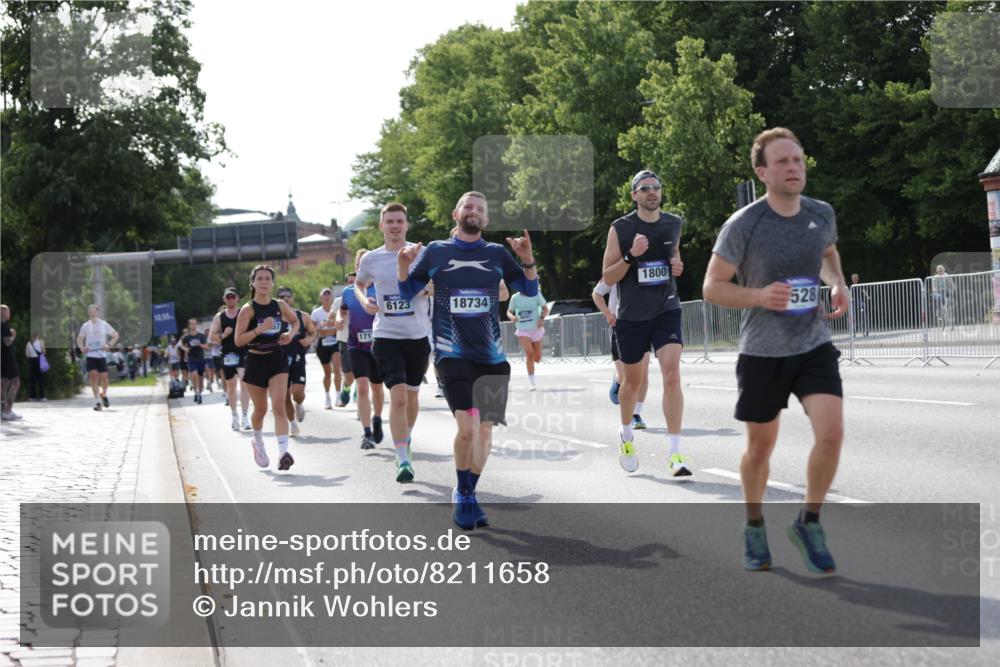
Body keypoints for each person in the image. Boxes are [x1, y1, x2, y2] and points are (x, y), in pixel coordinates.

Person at [703, 127, 849, 574]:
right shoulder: (744, 224)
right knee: (761, 448)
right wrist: (760, 296)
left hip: (811, 342)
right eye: (783, 162)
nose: (793, 168)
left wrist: (838, 283)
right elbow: (712, 288)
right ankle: (753, 523)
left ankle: (809, 521)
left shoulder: (820, 213)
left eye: (799, 160)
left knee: (831, 432)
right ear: (762, 172)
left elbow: (826, 253)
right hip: (762, 351)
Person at [397, 191, 538, 530]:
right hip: (451, 354)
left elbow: (530, 291)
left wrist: (528, 258)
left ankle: (467, 494)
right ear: (455, 213)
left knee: (486, 433)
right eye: (468, 206)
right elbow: (405, 292)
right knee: (468, 428)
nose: (473, 211)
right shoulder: (436, 251)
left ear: (485, 220)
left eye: (480, 209)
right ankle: (463, 493)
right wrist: (403, 266)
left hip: (492, 358)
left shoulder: (496, 254)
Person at [600, 170, 688, 476]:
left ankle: (675, 455)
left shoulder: (674, 223)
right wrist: (630, 256)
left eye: (656, 187)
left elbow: (674, 258)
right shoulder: (620, 228)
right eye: (645, 188)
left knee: (672, 375)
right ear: (634, 195)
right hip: (632, 316)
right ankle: (626, 436)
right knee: (632, 383)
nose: (652, 192)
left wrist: (677, 265)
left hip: (666, 307)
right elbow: (608, 277)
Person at [356, 202, 433, 483]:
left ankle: (405, 438)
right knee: (397, 396)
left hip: (417, 336)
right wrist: (365, 300)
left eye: (399, 221)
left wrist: (423, 287)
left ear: (407, 225)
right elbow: (359, 283)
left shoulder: (422, 253)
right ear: (381, 226)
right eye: (389, 221)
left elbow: (438, 284)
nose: (395, 226)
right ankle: (402, 458)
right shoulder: (371, 260)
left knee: (412, 397)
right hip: (386, 335)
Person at [235, 265, 300, 470]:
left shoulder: (280, 305)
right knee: (261, 410)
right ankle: (258, 442)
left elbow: (295, 322)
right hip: (255, 361)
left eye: (267, 279)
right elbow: (238, 341)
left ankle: (283, 453)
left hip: (277, 358)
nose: (264, 282)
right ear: (253, 283)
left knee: (279, 405)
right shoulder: (248, 310)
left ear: (272, 283)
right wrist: (259, 329)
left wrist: (290, 334)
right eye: (260, 279)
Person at [339, 250, 385, 450]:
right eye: (360, 265)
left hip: (379, 345)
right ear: (358, 268)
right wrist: (340, 319)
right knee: (363, 387)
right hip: (356, 345)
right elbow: (342, 310)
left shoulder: (382, 289)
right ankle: (366, 433)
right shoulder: (349, 292)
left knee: (377, 388)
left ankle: (377, 418)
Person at [592, 279, 649, 429]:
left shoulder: (645, 268)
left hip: (642, 326)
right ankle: (618, 381)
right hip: (619, 326)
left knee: (643, 374)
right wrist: (608, 314)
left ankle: (635, 414)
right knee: (626, 377)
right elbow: (597, 293)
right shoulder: (615, 271)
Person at [277, 286, 317, 437]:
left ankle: (299, 404)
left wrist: (309, 339)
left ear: (292, 298)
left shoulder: (303, 316)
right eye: (282, 296)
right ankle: (293, 424)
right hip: (280, 359)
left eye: (288, 296)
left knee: (297, 393)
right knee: (284, 395)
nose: (286, 298)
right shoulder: (274, 317)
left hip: (298, 358)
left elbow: (313, 332)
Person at [210, 287, 250, 431]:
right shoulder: (219, 317)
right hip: (227, 354)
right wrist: (224, 335)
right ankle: (234, 416)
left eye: (233, 297)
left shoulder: (243, 313)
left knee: (244, 382)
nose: (231, 299)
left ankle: (245, 416)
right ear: (224, 299)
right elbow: (212, 337)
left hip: (243, 352)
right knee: (231, 386)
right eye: (228, 297)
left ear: (237, 298)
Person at [76, 305, 119, 411]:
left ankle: (103, 394)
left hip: (101, 355)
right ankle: (97, 402)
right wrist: (82, 348)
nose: (92, 313)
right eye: (90, 311)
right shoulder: (85, 325)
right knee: (93, 377)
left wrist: (108, 345)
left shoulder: (103, 324)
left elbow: (115, 335)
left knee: (104, 379)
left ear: (97, 313)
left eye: (94, 311)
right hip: (90, 355)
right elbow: (80, 338)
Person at [506, 283, 547, 391]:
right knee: (529, 354)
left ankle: (534, 360)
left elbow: (545, 309)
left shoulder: (536, 294)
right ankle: (532, 383)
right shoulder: (515, 297)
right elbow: (509, 311)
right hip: (523, 329)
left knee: (537, 358)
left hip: (536, 328)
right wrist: (512, 317)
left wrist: (541, 318)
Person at [311, 287, 342, 410]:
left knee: (337, 368)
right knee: (327, 373)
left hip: (335, 342)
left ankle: (338, 397)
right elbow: (313, 330)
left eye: (329, 295)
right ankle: (327, 397)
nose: (327, 297)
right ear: (321, 298)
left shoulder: (337, 311)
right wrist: (322, 327)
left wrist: (328, 328)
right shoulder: (316, 313)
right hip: (322, 344)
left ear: (332, 298)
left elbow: (339, 328)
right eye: (324, 295)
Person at [333, 275, 357, 407]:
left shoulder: (365, 298)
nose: (352, 284)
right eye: (349, 282)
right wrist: (338, 320)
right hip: (345, 340)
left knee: (363, 373)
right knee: (349, 376)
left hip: (363, 339)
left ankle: (359, 396)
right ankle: (347, 389)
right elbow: (332, 315)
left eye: (354, 281)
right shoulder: (340, 299)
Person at [180, 318, 208, 404]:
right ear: (189, 326)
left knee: (200, 378)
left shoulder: (201, 335)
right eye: (191, 324)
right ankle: (196, 392)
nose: (193, 326)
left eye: (195, 324)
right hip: (191, 358)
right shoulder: (186, 337)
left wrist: (200, 344)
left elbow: (206, 346)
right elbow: (181, 345)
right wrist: (186, 349)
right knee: (194, 374)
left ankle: (199, 393)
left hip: (200, 358)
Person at [1, 305, 21, 421]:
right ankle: (8, 410)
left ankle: (3, 410)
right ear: (3, 313)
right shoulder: (3, 325)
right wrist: (13, 335)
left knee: (3, 383)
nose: (9, 313)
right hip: (8, 358)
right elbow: (7, 342)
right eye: (8, 311)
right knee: (15, 382)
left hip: (2, 358)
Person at [25, 332, 47, 402]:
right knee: (40, 379)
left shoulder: (28, 343)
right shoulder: (41, 342)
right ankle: (42, 397)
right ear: (38, 336)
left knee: (32, 380)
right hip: (39, 361)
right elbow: (43, 352)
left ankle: (32, 397)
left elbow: (27, 354)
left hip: (32, 361)